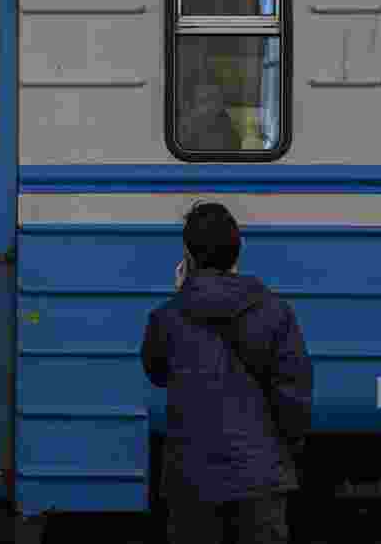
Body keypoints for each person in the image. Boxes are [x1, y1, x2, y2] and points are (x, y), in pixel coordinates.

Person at [141, 201, 313, 544]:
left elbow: (156, 372)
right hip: (260, 477)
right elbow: (294, 395)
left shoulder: (167, 317)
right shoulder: (276, 311)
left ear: (188, 257)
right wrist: (284, 448)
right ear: (238, 251)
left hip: (192, 482)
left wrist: (181, 294)